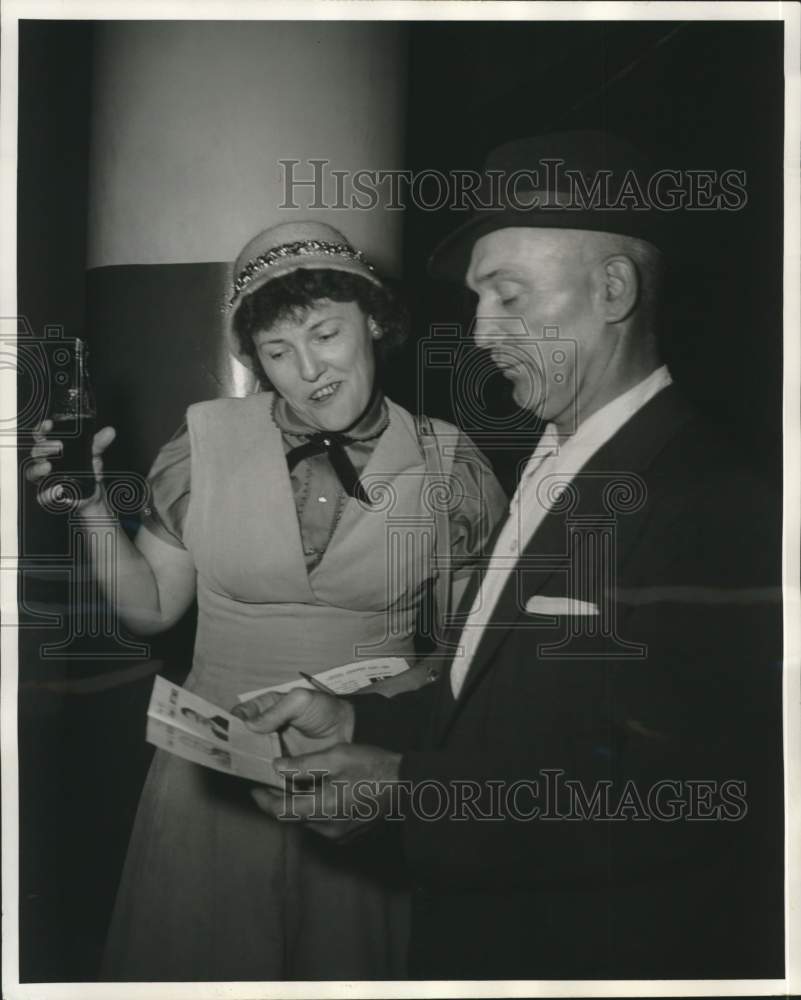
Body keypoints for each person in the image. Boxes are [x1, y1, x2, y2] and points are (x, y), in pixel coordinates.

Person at [237, 133, 785, 980]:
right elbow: (494, 699)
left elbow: (681, 797)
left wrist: (409, 790)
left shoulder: (715, 497)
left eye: (508, 295)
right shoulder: (540, 458)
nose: (480, 329)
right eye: (476, 299)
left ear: (613, 289)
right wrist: (361, 725)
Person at [27, 220, 507, 981]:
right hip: (208, 782)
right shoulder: (203, 443)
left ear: (375, 323)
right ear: (254, 361)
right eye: (277, 352)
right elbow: (150, 609)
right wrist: (87, 502)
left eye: (326, 334)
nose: (308, 369)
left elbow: (465, 658)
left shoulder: (449, 464)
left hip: (356, 775)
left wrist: (376, 706)